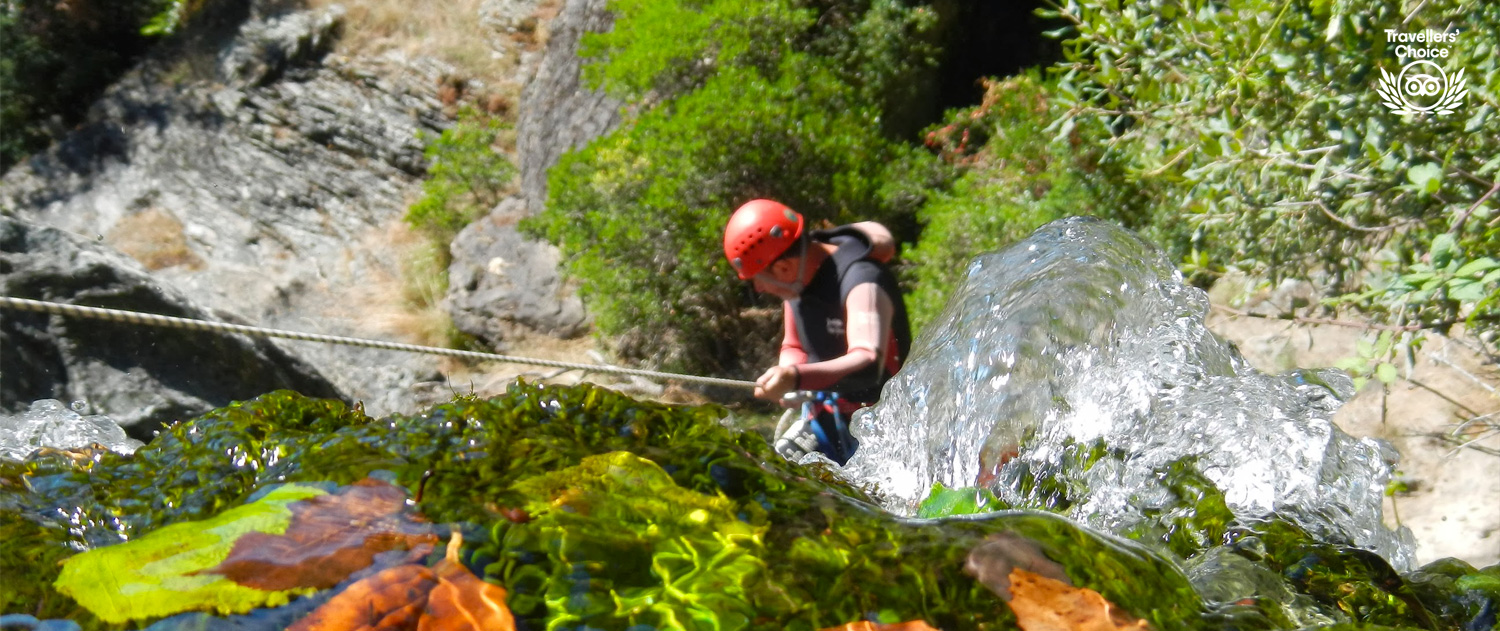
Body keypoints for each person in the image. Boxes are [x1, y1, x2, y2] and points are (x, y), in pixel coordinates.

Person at [722, 198, 912, 464]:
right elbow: (795, 347)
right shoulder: (797, 288)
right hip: (829, 419)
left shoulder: (863, 280)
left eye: (759, 281)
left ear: (783, 268)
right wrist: (788, 374)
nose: (760, 290)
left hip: (885, 426)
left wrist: (795, 377)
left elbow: (869, 363)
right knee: (775, 472)